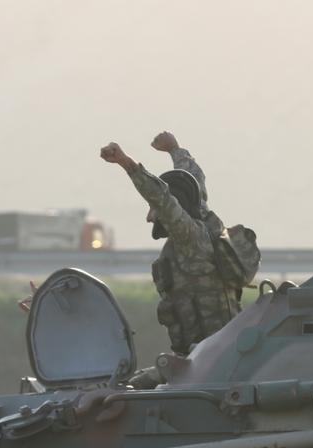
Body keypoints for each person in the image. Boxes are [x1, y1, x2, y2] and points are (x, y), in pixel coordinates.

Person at [100, 131, 240, 356]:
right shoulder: (202, 226)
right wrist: (175, 150)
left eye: (151, 208)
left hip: (211, 358)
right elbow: (193, 181)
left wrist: (126, 163)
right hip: (205, 354)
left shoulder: (191, 239)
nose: (149, 217)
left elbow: (163, 199)